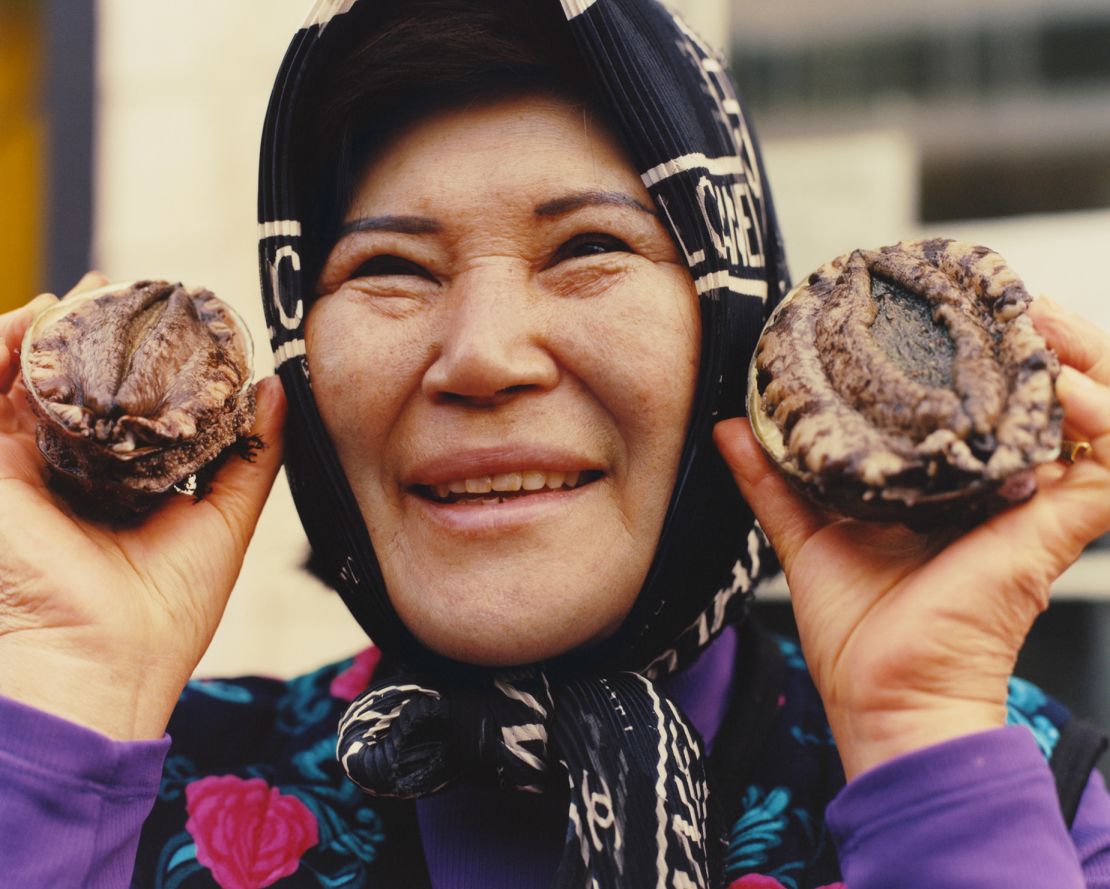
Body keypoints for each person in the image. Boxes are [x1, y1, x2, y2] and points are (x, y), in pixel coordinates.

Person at [2, 0, 1110, 886]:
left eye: (589, 245)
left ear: (736, 326)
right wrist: (64, 689)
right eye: (388, 269)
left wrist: (922, 739)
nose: (482, 356)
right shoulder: (127, 786)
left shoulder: (1027, 795)